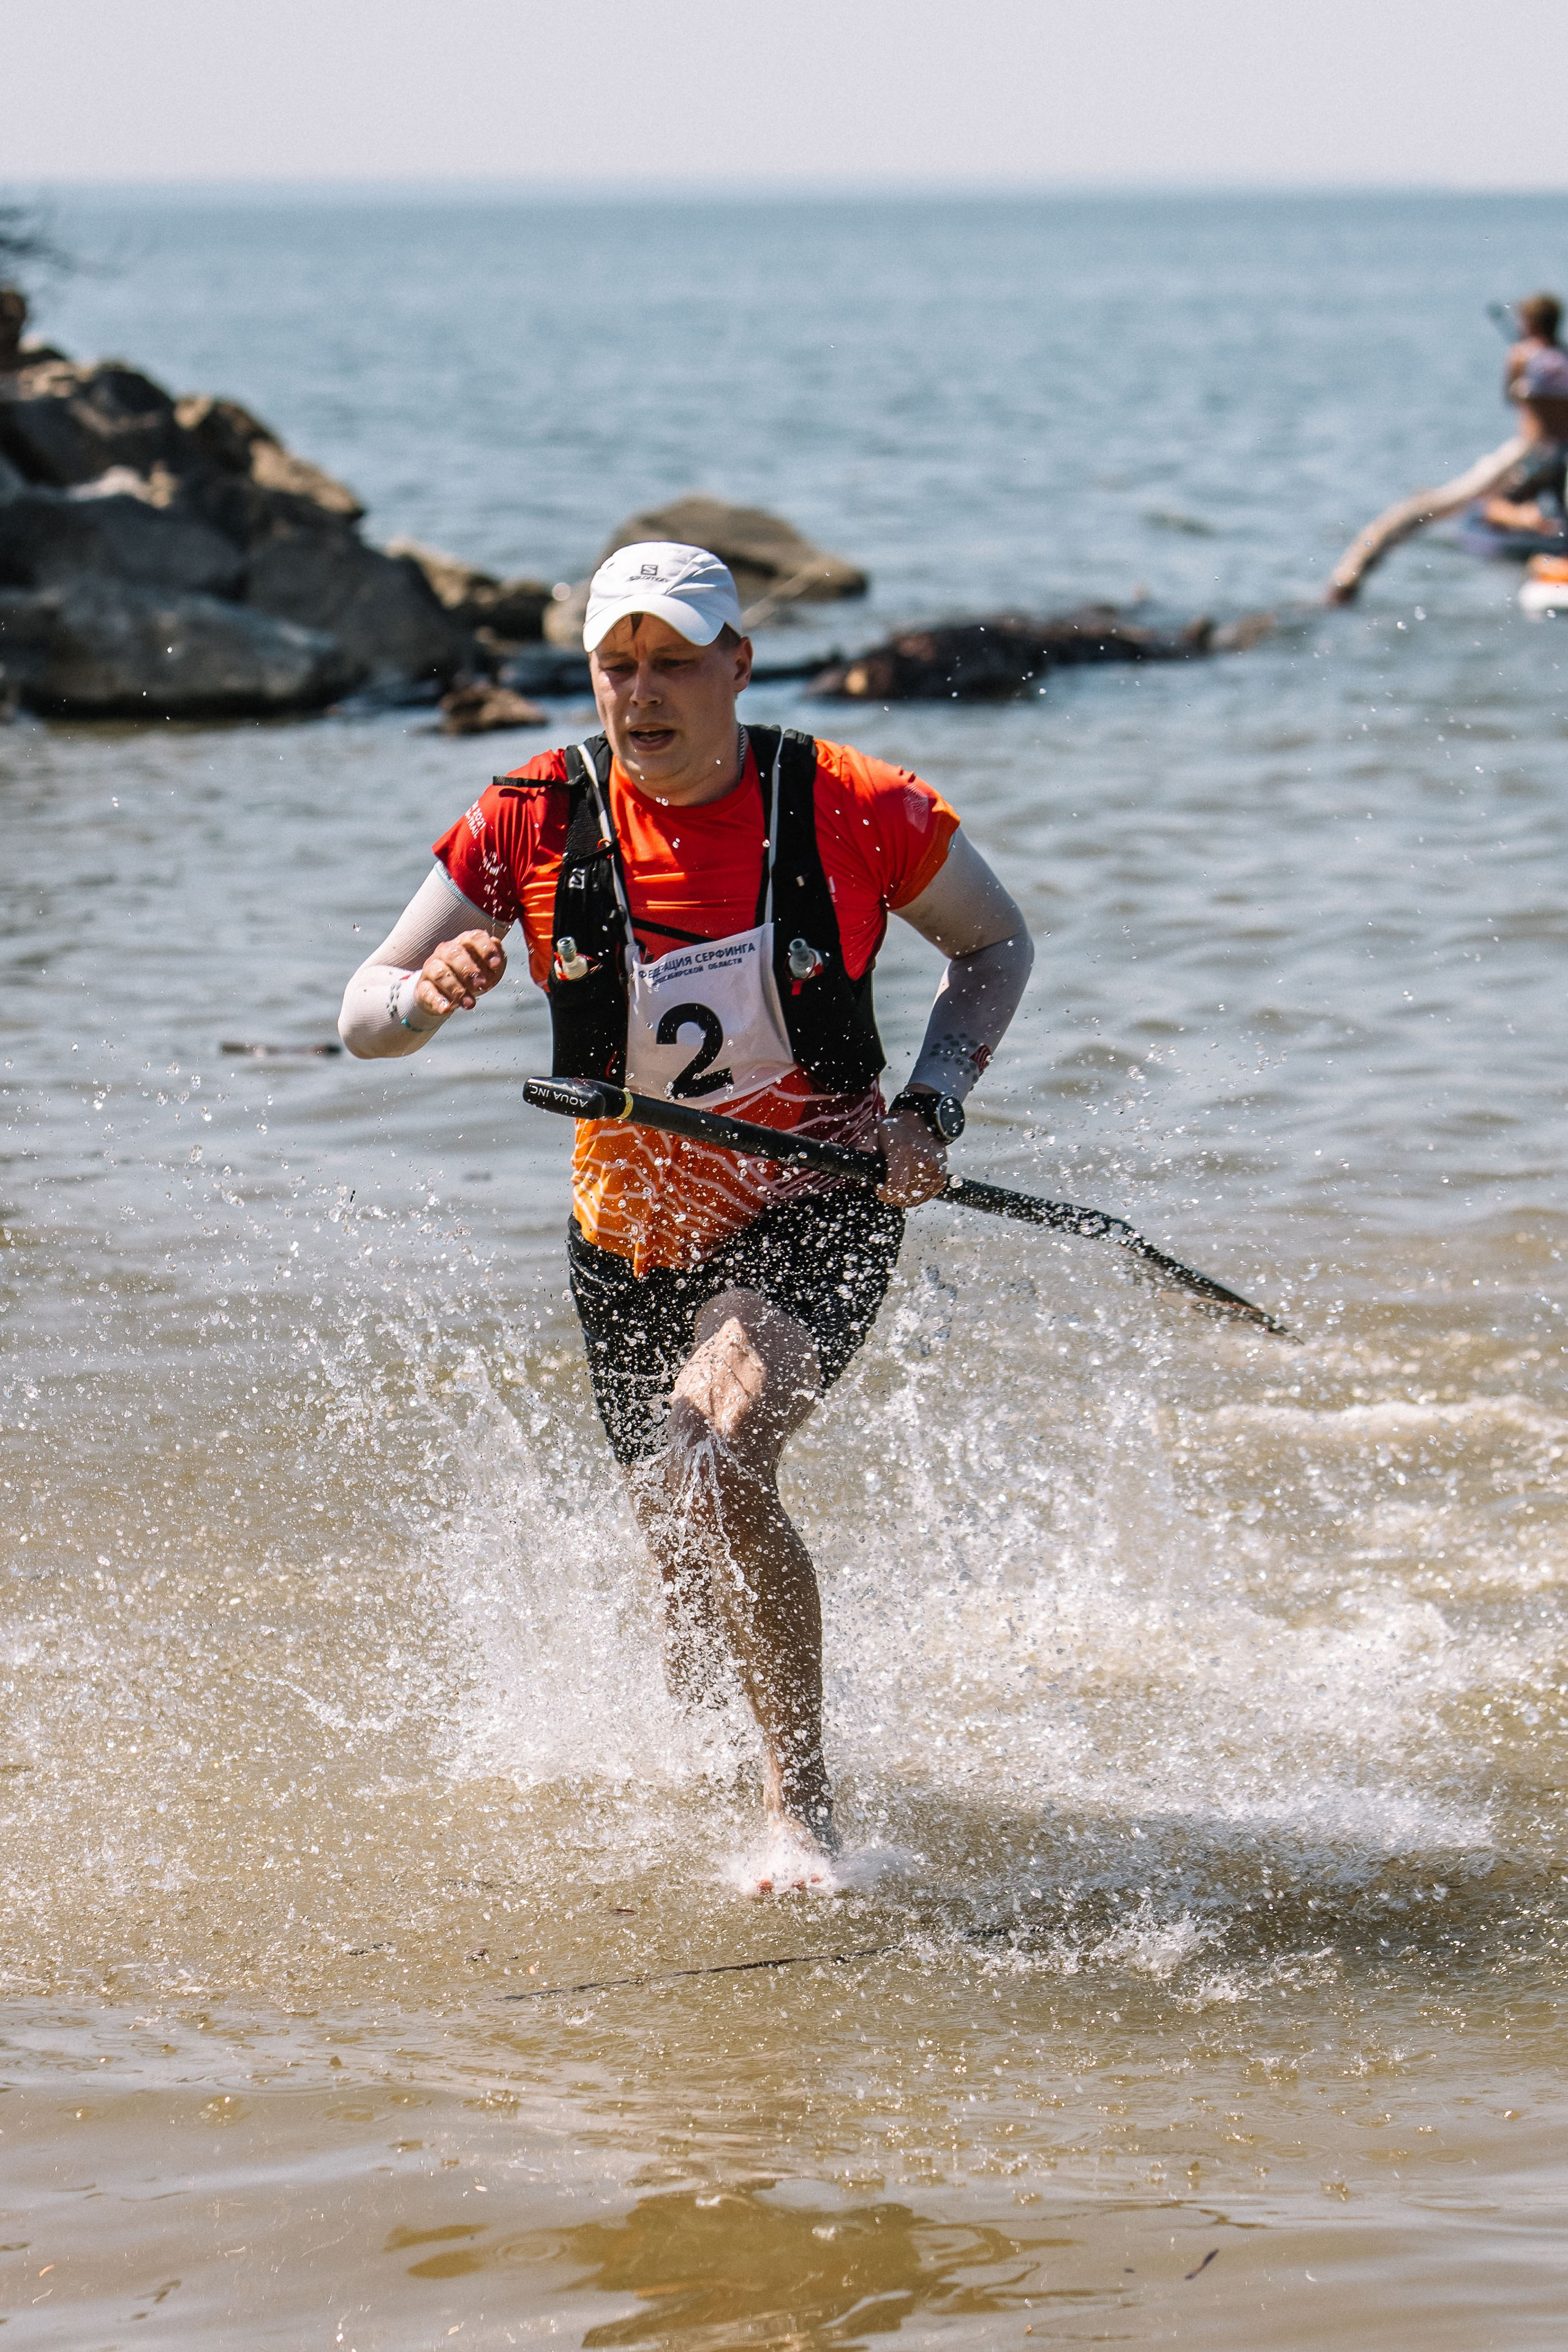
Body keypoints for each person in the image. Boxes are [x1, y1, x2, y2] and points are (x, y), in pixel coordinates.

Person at [339, 541, 1033, 1887]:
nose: (640, 695)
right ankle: (706, 1759)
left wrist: (929, 1108)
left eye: (670, 665)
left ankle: (799, 1809)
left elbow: (993, 945)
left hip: (815, 1194)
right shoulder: (530, 814)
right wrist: (427, 998)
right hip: (627, 1221)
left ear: (736, 667)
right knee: (669, 1510)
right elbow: (360, 1010)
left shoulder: (849, 802)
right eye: (616, 668)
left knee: (712, 1452)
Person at [1324, 290, 1568, 605]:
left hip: (1534, 449)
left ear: (1531, 322)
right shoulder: (1562, 357)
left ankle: (1534, 526)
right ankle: (1547, 532)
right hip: (1563, 450)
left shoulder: (1522, 355)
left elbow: (1510, 398)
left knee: (1493, 504)